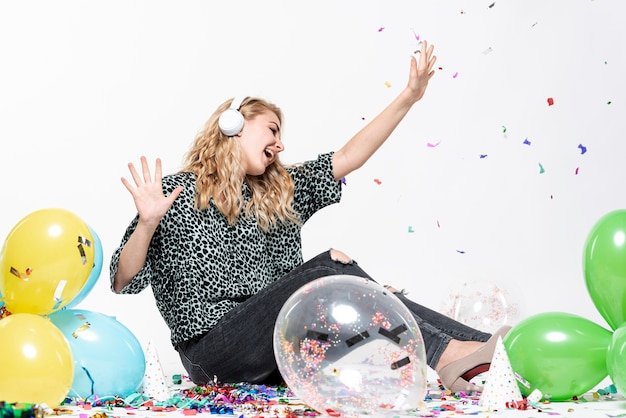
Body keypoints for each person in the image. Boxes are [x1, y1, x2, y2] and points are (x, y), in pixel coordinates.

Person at [110, 40, 510, 393]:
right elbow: (122, 280)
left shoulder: (277, 192)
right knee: (330, 271)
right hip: (213, 353)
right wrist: (146, 223)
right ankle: (448, 354)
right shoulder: (176, 194)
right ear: (233, 125)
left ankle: (492, 351)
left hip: (278, 347)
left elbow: (348, 157)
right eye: (271, 129)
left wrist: (409, 95)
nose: (279, 144)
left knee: (363, 288)